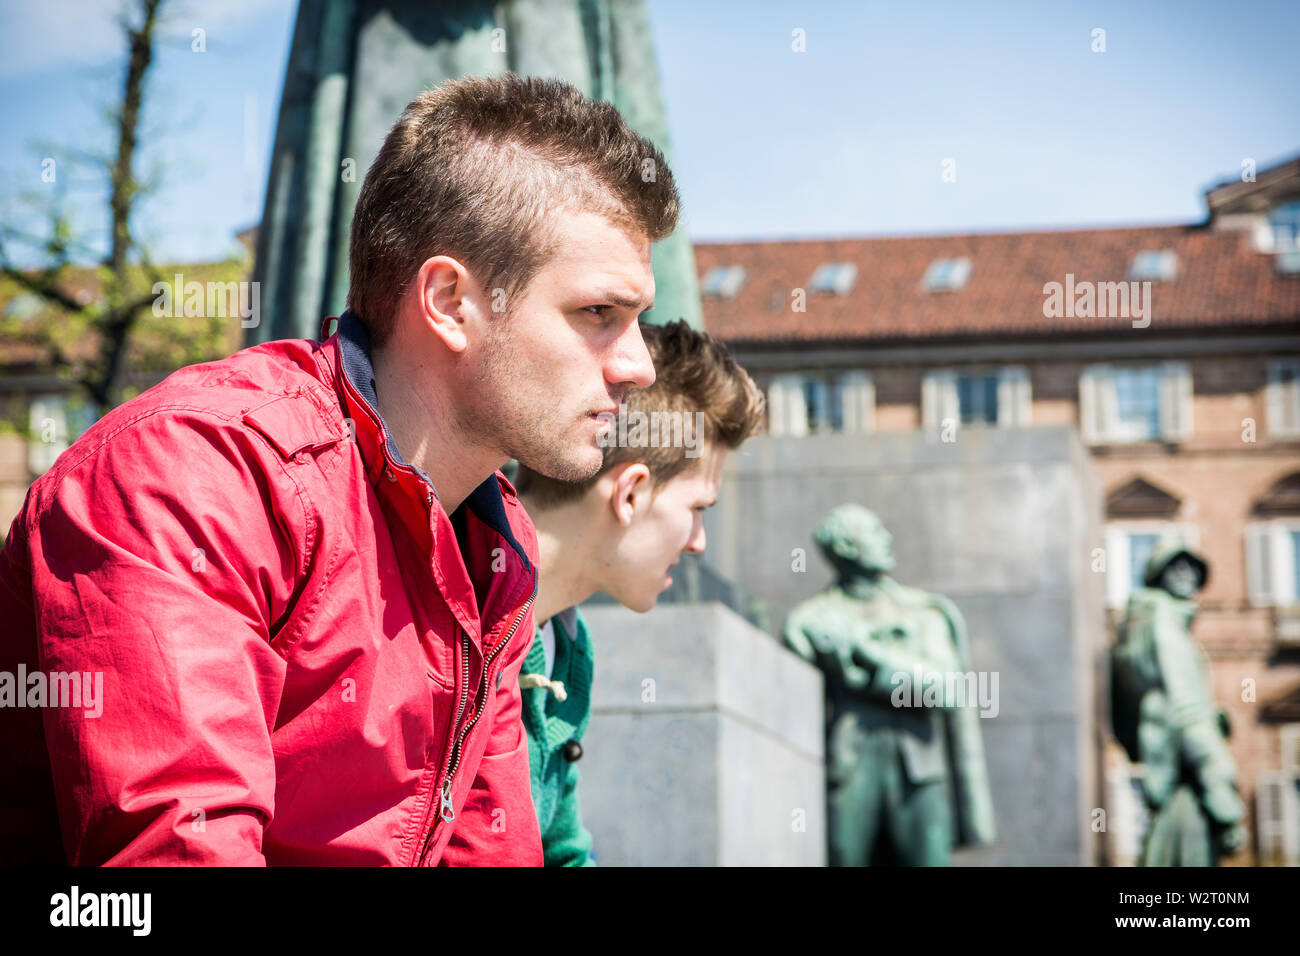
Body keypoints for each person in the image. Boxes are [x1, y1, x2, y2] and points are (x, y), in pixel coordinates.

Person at [0, 72, 678, 866]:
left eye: (638, 321)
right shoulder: (196, 473)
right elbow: (173, 857)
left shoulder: (496, 545)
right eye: (599, 314)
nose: (636, 365)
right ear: (451, 302)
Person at [512, 320, 764, 865]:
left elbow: (562, 850)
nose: (698, 543)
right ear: (630, 493)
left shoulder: (565, 645)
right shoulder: (452, 616)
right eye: (697, 510)